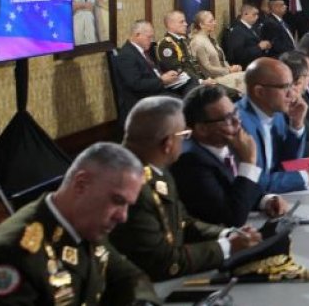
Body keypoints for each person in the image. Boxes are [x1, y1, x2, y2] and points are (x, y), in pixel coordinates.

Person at [0, 142, 160, 305]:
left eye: (128, 205)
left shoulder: (86, 226)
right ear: (81, 185)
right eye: (117, 200)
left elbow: (130, 277)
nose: (123, 217)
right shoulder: (13, 254)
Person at [110, 97, 261, 280]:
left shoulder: (158, 170)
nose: (186, 142)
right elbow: (163, 262)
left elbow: (183, 222)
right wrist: (227, 247)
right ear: (167, 144)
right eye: (183, 135)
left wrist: (227, 234)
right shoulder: (131, 188)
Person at [172, 84, 290, 228]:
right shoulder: (190, 162)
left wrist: (265, 200)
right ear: (202, 129)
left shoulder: (227, 142)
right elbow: (232, 217)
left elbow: (237, 190)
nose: (237, 122)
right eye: (228, 118)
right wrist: (249, 162)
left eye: (236, 113)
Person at [236, 58, 309, 194]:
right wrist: (305, 177)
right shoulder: (237, 123)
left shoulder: (276, 114)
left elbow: (287, 163)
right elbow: (252, 182)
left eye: (291, 85)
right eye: (284, 87)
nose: (292, 94)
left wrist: (296, 125)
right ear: (259, 91)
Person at [112, 19, 194, 124]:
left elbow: (155, 70)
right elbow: (135, 84)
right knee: (181, 103)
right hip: (142, 98)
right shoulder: (127, 55)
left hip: (157, 89)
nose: (151, 41)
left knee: (191, 85)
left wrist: (168, 75)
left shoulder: (144, 50)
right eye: (149, 37)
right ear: (137, 35)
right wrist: (162, 80)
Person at [188, 10, 245, 94]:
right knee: (245, 78)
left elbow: (223, 60)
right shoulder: (198, 42)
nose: (215, 23)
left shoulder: (211, 37)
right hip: (213, 79)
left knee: (248, 75)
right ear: (201, 25)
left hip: (224, 74)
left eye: (214, 20)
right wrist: (228, 71)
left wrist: (232, 68)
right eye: (211, 21)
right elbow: (207, 68)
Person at [154, 11, 211, 92]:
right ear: (170, 25)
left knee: (227, 91)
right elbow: (178, 70)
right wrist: (200, 81)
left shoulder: (181, 40)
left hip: (192, 81)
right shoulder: (166, 44)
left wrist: (202, 79)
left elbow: (190, 64)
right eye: (182, 22)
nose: (186, 24)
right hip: (180, 85)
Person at [224, 3, 272, 67]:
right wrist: (259, 47)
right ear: (245, 14)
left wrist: (265, 46)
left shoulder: (253, 27)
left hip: (258, 62)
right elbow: (238, 55)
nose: (257, 17)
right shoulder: (237, 31)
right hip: (247, 66)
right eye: (254, 14)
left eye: (257, 14)